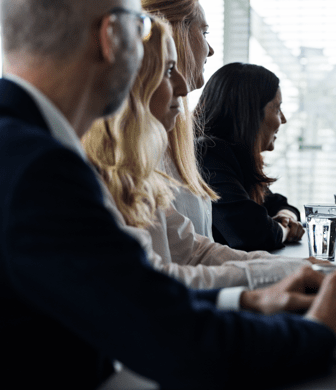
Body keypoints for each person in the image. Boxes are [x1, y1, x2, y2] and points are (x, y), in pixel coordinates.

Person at [0, 0, 336, 388]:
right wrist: (321, 333)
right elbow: (170, 341)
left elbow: (127, 300)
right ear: (111, 36)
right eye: (139, 26)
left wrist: (248, 301)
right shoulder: (40, 169)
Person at [83, 16, 308, 289]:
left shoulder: (140, 172)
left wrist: (299, 269)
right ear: (129, 83)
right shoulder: (90, 176)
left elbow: (193, 252)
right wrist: (282, 273)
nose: (182, 86)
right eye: (169, 70)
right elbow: (151, 280)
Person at [138, 0, 220, 239]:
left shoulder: (173, 133)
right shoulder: (136, 151)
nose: (211, 50)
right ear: (176, 34)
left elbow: (191, 249)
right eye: (204, 33)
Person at [195, 62, 305, 251]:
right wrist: (285, 230)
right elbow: (251, 233)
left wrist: (286, 217)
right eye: (277, 109)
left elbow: (276, 202)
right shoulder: (208, 154)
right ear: (250, 113)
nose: (283, 119)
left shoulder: (233, 157)